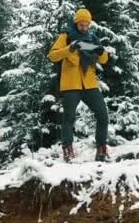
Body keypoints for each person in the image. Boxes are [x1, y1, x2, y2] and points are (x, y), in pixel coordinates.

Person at [48, 9, 110, 162]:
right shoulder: (66, 36)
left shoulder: (92, 38)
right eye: (81, 24)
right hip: (70, 85)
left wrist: (101, 52)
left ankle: (101, 149)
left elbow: (104, 60)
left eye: (86, 24)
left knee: (103, 115)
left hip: (89, 84)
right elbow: (52, 56)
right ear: (76, 23)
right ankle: (68, 151)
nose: (84, 27)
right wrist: (69, 49)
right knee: (68, 119)